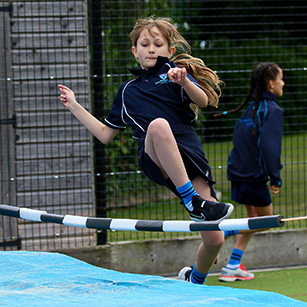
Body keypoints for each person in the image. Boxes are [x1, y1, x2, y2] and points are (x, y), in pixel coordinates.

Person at [58, 16, 233, 285]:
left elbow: (205, 100)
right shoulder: (128, 91)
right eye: (145, 44)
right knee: (159, 125)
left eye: (158, 44)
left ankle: (194, 279)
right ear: (135, 51)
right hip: (153, 155)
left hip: (189, 153)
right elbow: (105, 134)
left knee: (215, 239)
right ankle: (192, 201)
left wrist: (184, 81)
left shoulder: (175, 75)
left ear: (169, 51)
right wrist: (75, 106)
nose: (152, 49)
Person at [214, 62, 284, 282]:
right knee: (265, 222)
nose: (284, 83)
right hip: (253, 178)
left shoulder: (251, 109)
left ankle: (233, 265)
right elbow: (269, 147)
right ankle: (220, 234)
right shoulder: (272, 110)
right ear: (271, 84)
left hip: (238, 175)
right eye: (281, 79)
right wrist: (275, 178)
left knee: (251, 220)